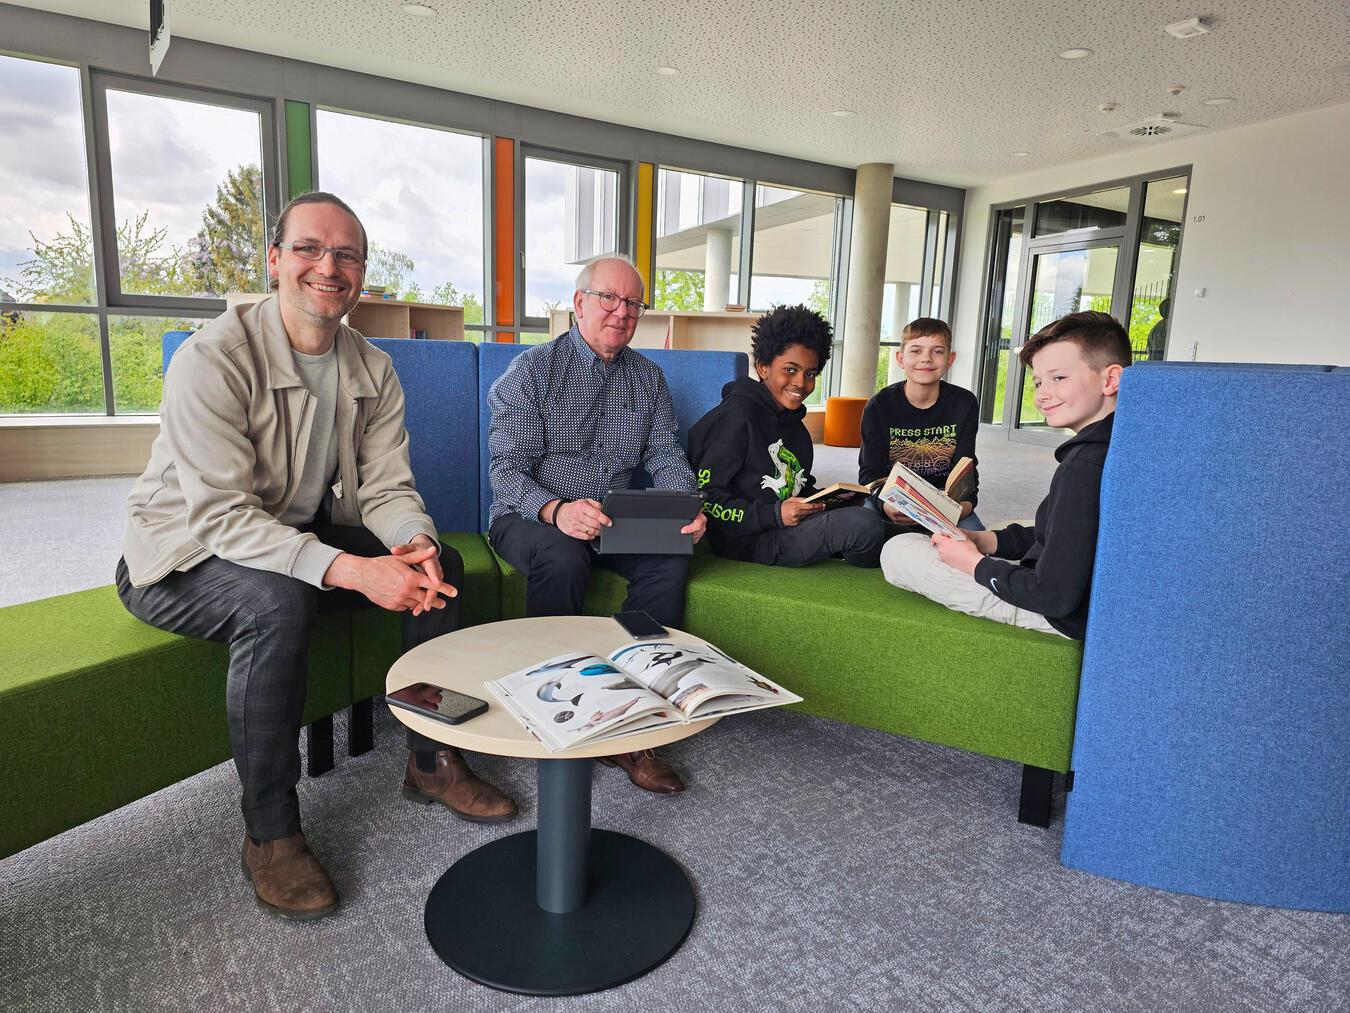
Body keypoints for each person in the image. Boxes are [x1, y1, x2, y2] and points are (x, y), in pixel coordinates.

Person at [116, 192, 517, 921]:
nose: (326, 266)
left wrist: (411, 543)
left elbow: (388, 486)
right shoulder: (213, 360)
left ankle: (432, 758)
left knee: (445, 568)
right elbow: (223, 517)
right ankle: (270, 832)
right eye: (308, 248)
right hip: (181, 551)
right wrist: (356, 571)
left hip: (288, 533)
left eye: (346, 254)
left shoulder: (371, 366)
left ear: (361, 273)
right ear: (275, 261)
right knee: (278, 602)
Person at [486, 256, 707, 795]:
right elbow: (506, 471)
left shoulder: (647, 378)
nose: (621, 312)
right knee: (563, 554)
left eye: (633, 303)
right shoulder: (531, 372)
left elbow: (665, 458)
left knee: (669, 558)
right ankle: (552, 704)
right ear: (579, 303)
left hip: (613, 515)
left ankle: (634, 717)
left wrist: (686, 508)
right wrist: (558, 510)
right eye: (609, 298)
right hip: (530, 513)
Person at [879, 310, 1131, 640]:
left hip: (1058, 613)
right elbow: (1064, 535)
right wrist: (988, 541)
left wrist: (975, 564)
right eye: (1039, 381)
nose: (1042, 393)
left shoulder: (1084, 467)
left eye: (1059, 378)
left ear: (1110, 380)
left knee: (899, 551)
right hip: (1088, 597)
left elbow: (1053, 595)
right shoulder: (1122, 445)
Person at [687, 304, 884, 568]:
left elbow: (798, 488)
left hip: (789, 525)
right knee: (864, 525)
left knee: (872, 514)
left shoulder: (797, 430)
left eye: (810, 373)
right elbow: (706, 498)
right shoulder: (737, 417)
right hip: (751, 540)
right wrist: (775, 515)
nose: (801, 383)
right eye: (790, 370)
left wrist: (834, 498)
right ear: (763, 367)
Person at [858, 317, 984, 534]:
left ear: (950, 359)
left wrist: (964, 507)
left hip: (943, 501)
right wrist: (886, 506)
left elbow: (966, 467)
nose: (926, 359)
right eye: (916, 351)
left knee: (975, 543)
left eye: (937, 351)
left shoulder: (964, 403)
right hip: (894, 497)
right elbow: (870, 473)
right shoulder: (879, 405)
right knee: (862, 539)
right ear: (900, 358)